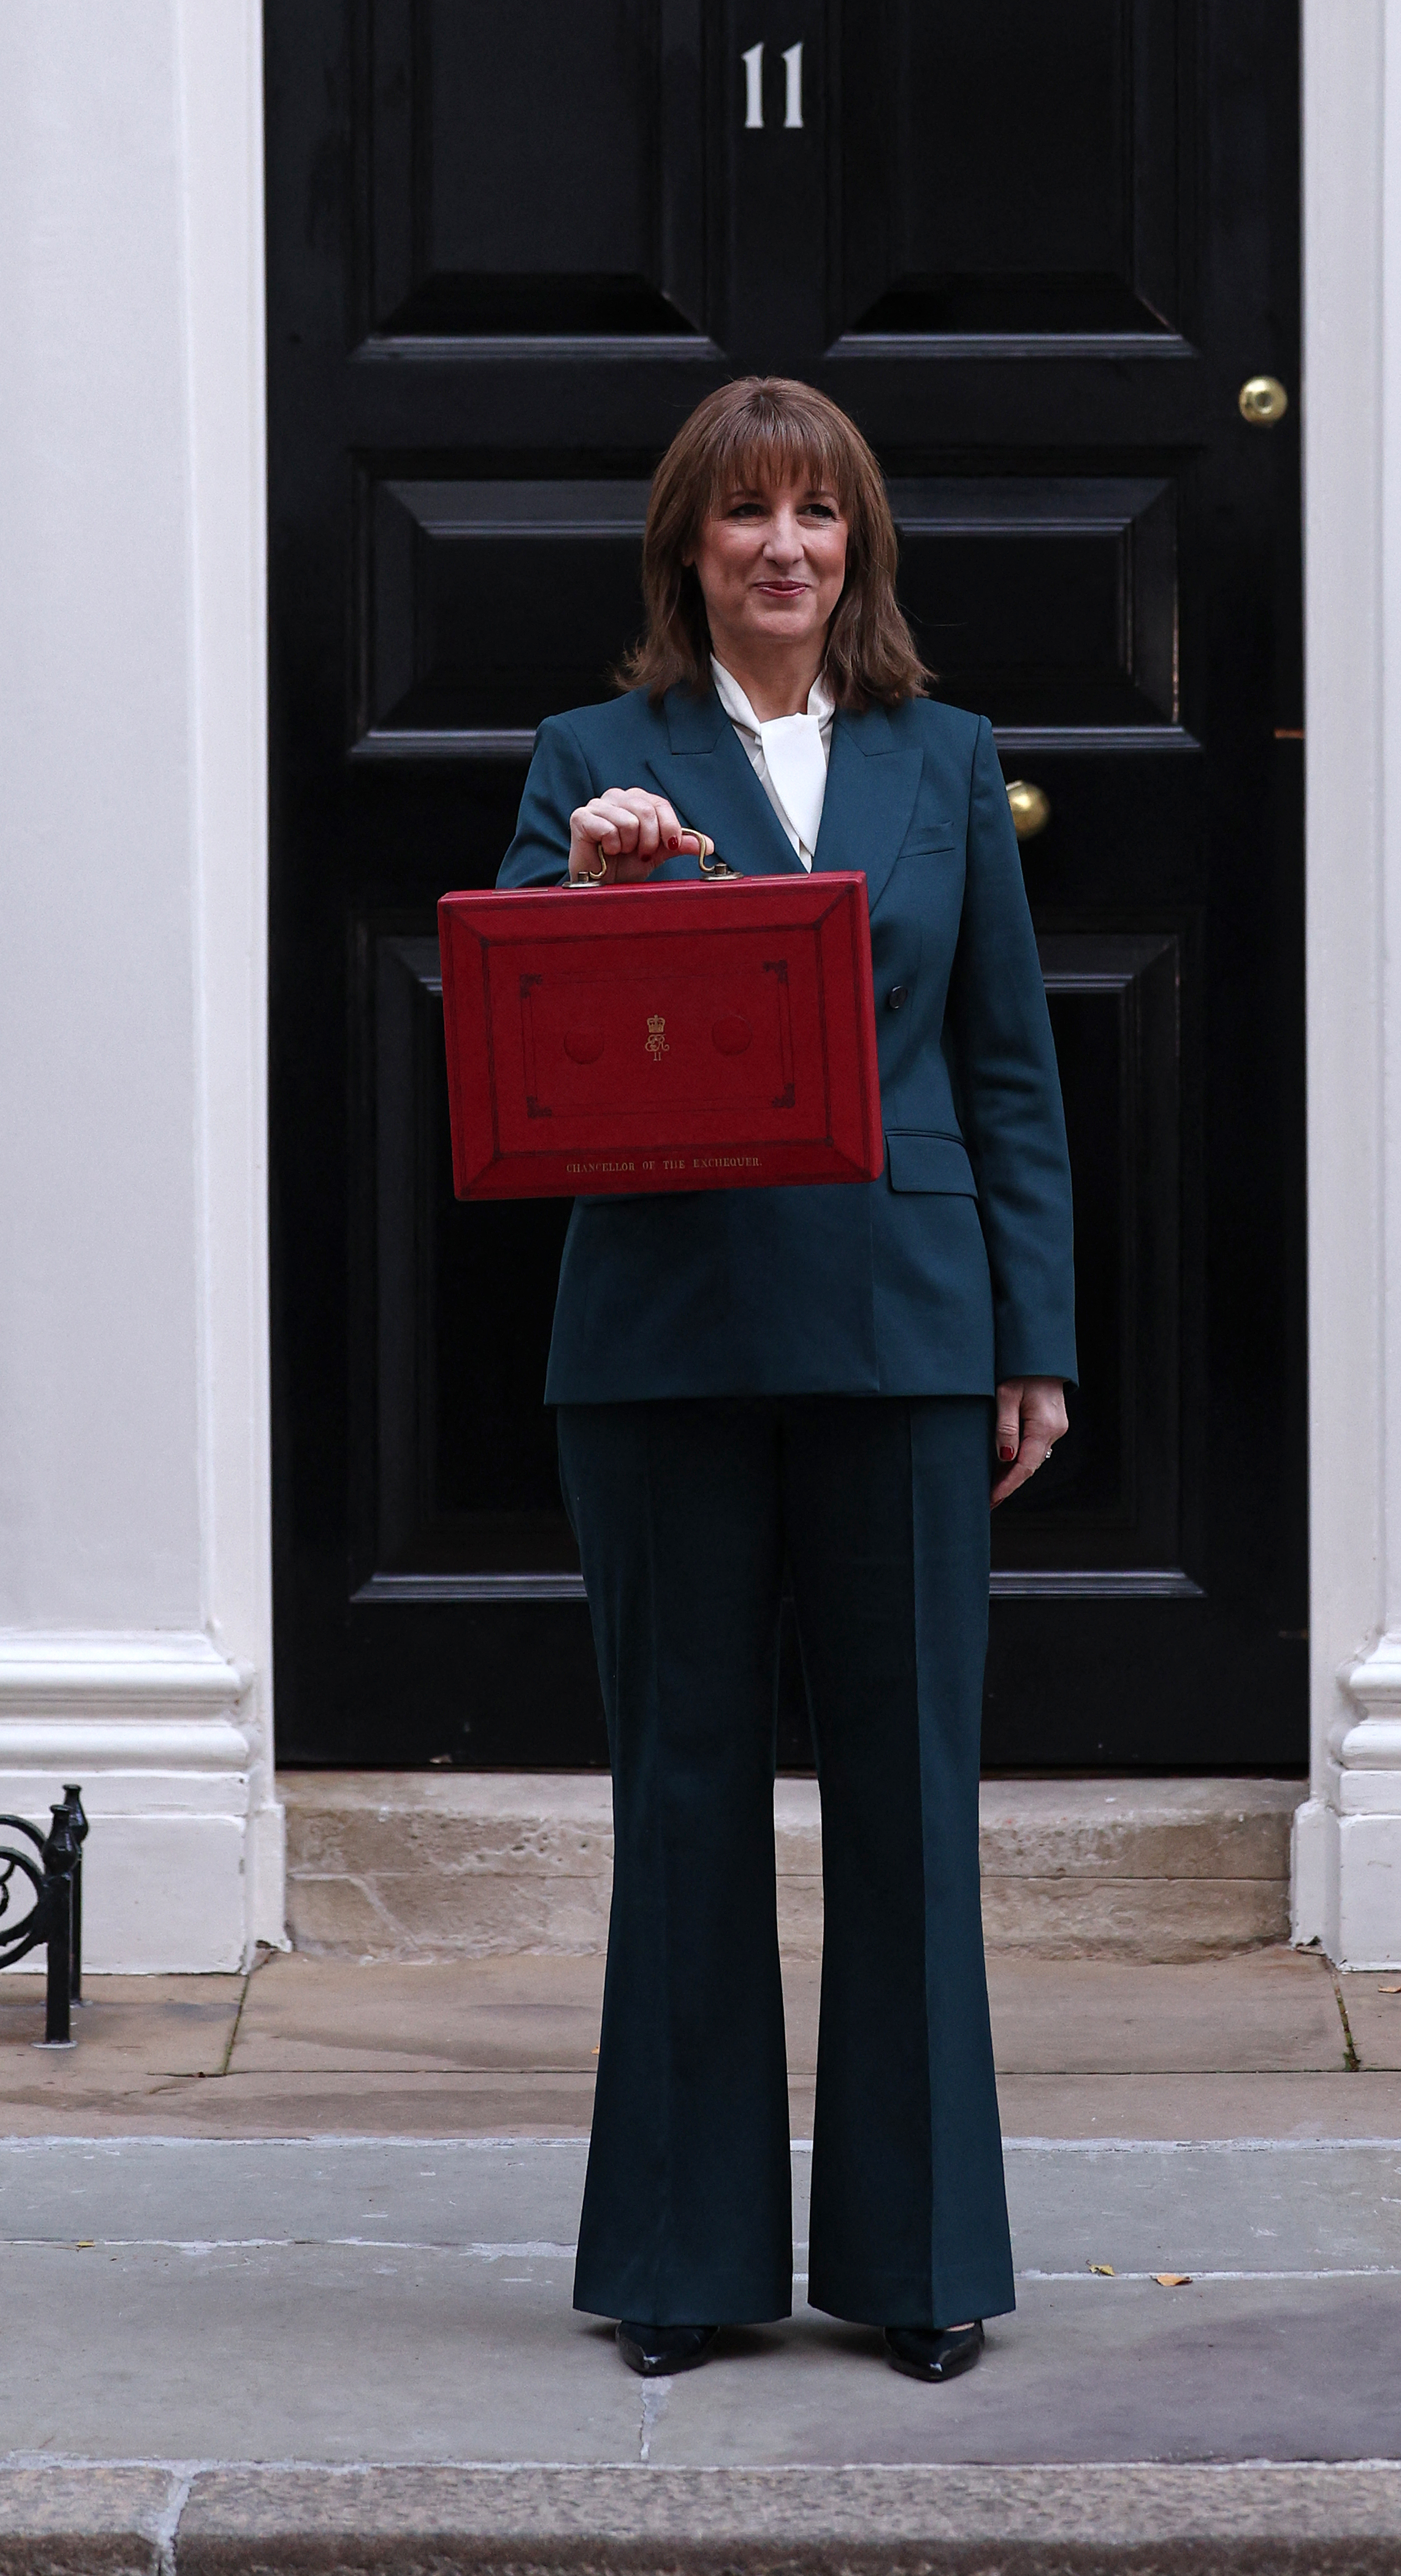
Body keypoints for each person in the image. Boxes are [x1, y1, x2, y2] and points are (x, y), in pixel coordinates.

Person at [500, 373, 1076, 2388]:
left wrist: (1034, 1339)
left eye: (815, 514)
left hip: (908, 1330)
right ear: (689, 548)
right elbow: (519, 1043)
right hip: (662, 1342)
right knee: (682, 1788)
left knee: (912, 1796)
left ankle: (921, 2260)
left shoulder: (949, 756)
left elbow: (1008, 1069)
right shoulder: (593, 760)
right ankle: (683, 2254)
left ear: (859, 548)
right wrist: (593, 879)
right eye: (743, 513)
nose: (781, 547)